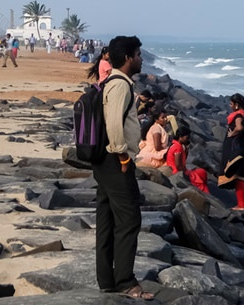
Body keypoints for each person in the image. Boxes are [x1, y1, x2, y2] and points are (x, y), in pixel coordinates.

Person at [93, 35, 153, 300]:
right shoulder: (119, 85)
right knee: (129, 220)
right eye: (138, 55)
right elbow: (114, 124)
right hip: (115, 161)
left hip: (105, 162)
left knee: (107, 220)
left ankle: (107, 280)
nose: (141, 59)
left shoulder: (114, 83)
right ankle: (126, 282)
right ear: (128, 58)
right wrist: (123, 157)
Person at [164, 126, 210, 193]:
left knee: (202, 172)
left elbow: (183, 160)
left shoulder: (175, 144)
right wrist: (187, 174)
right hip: (177, 171)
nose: (188, 140)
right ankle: (205, 193)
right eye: (187, 138)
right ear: (180, 137)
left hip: (179, 169)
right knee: (199, 178)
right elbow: (178, 165)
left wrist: (186, 150)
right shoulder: (178, 147)